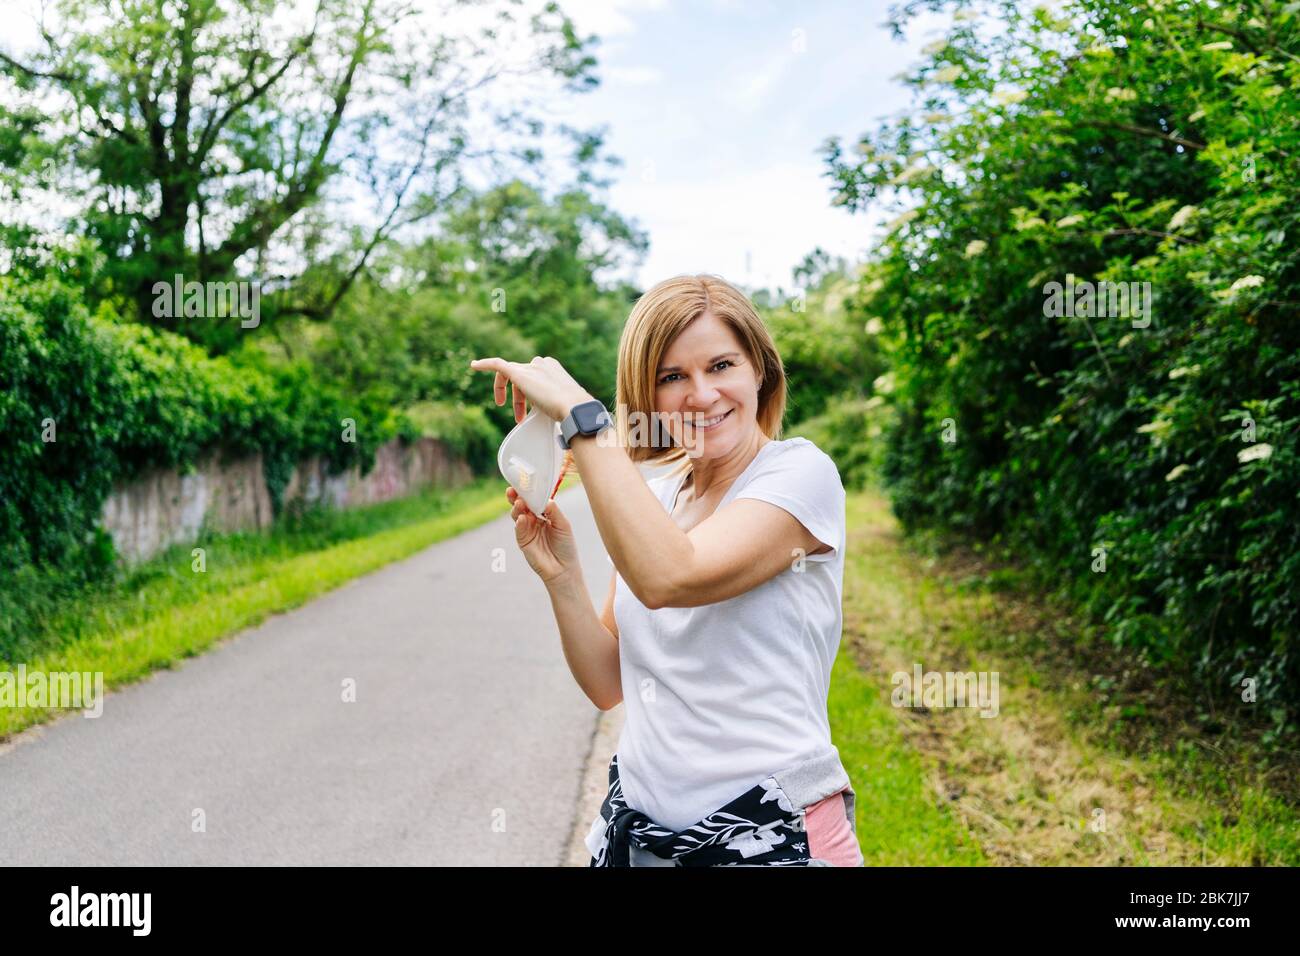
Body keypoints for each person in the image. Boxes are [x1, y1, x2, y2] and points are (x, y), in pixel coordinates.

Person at [469, 273, 862, 867]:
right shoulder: (659, 500)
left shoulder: (800, 476)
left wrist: (584, 422)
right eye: (671, 376)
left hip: (771, 835)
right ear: (647, 394)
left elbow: (671, 579)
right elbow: (608, 682)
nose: (701, 395)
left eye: (721, 365)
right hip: (645, 837)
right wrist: (563, 578)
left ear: (760, 369)